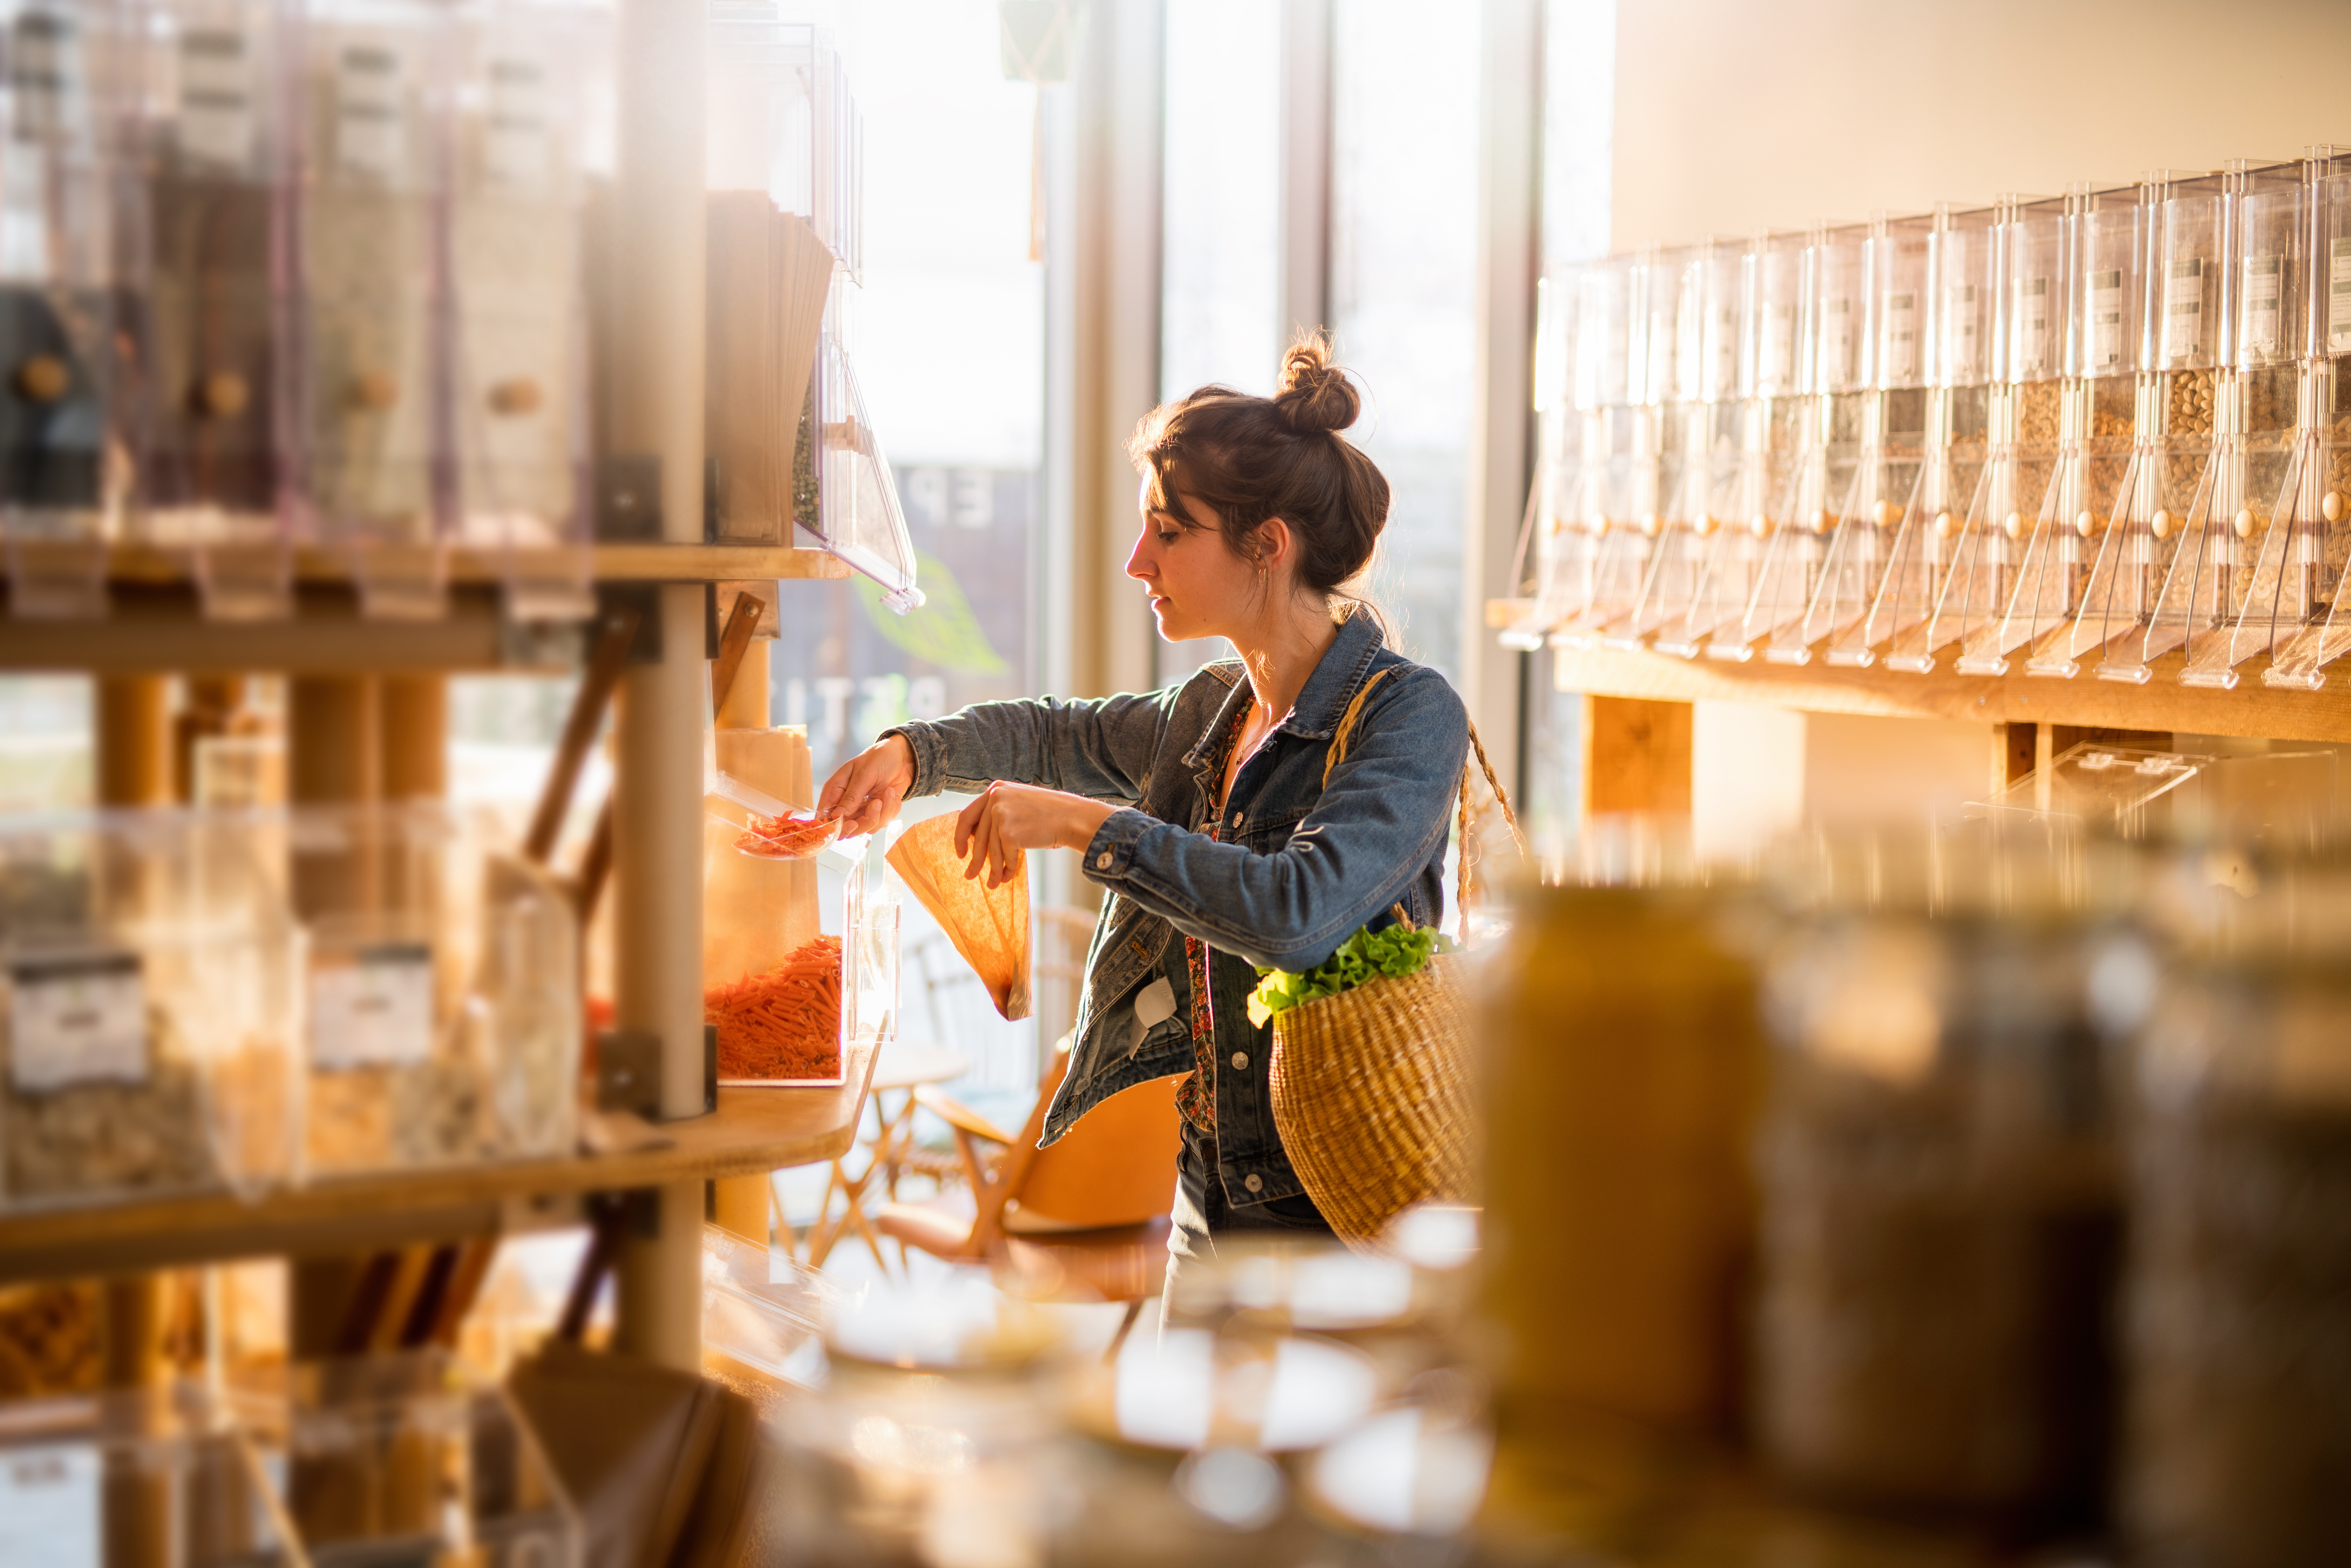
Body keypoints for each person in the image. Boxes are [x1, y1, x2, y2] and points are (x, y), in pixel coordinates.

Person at [818, 336, 1469, 1278]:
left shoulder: (1409, 715)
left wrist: (1085, 826)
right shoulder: (1211, 711)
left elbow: (1295, 914)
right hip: (1208, 1189)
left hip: (1337, 1215)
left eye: (1168, 531)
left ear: (1266, 546)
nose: (1136, 561)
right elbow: (1055, 735)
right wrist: (911, 754)